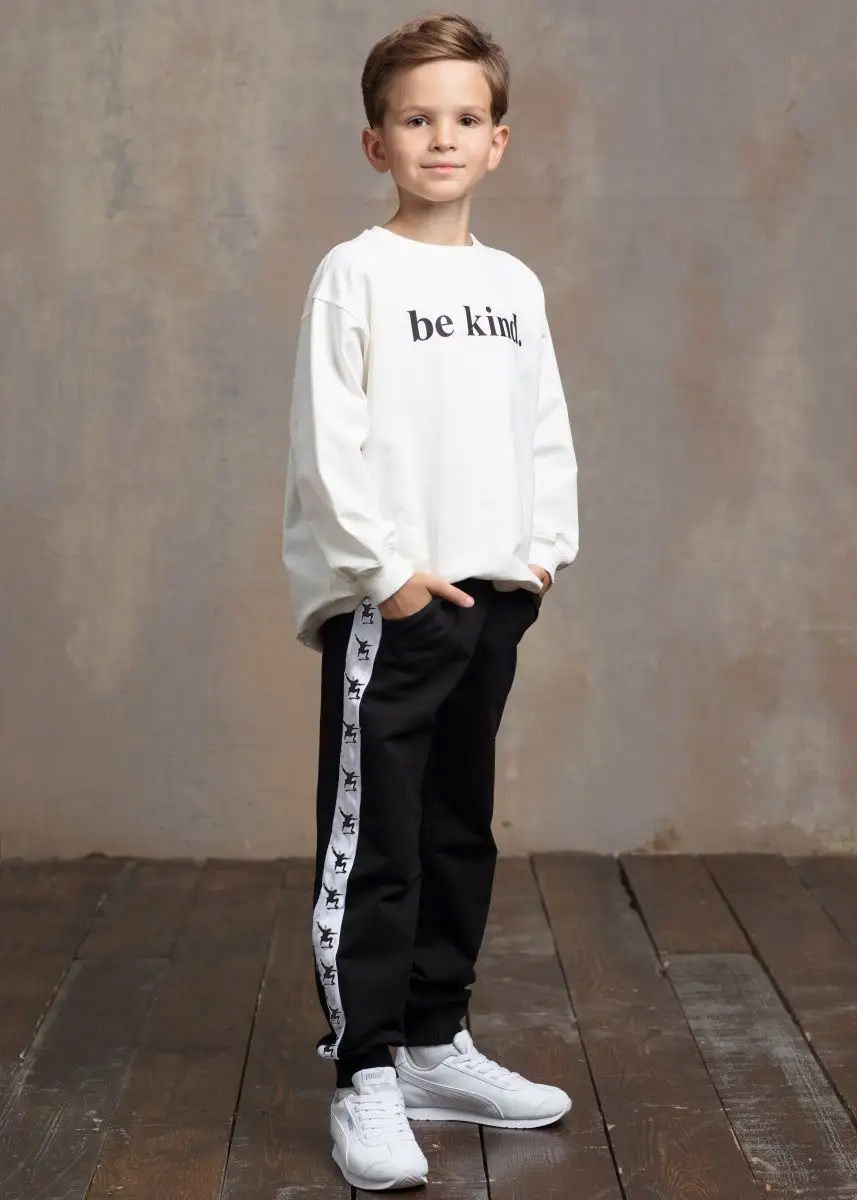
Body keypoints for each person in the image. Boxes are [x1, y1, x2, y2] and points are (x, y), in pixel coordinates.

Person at [282, 12, 579, 1191]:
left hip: (492, 594)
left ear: (498, 141)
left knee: (460, 827)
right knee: (379, 838)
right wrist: (386, 577)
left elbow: (542, 425)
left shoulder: (512, 285)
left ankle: (433, 1042)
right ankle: (365, 1069)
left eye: (464, 118)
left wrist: (541, 555)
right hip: (396, 603)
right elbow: (328, 441)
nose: (441, 138)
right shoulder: (356, 274)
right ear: (377, 144)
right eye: (416, 119)